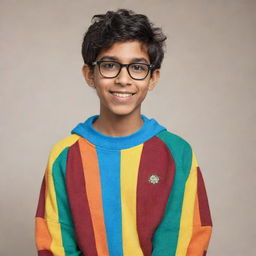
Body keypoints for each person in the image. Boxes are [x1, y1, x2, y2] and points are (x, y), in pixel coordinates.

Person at [34, 8, 213, 256]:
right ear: (90, 75)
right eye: (110, 65)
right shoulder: (65, 156)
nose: (123, 79)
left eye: (137, 68)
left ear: (153, 78)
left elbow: (185, 239)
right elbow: (55, 244)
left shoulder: (177, 154)